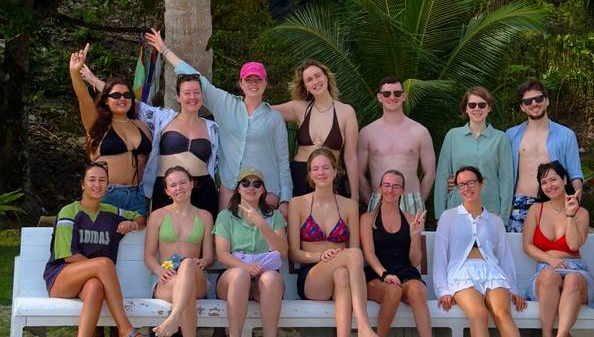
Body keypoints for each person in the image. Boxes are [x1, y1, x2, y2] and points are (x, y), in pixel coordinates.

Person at [145, 30, 292, 215]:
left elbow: (283, 162)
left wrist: (285, 198)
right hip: (230, 189)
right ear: (241, 83)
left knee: (264, 242)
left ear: (265, 83)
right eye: (249, 79)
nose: (253, 84)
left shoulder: (275, 118)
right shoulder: (225, 104)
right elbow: (194, 77)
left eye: (258, 80)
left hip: (265, 191)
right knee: (223, 240)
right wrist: (165, 50)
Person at [43, 160, 160, 337]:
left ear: (108, 186)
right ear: (82, 185)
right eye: (92, 180)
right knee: (104, 265)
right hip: (61, 278)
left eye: (102, 181)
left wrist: (133, 224)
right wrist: (99, 267)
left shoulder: (111, 211)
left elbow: (141, 218)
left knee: (96, 286)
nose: (97, 185)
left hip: (89, 282)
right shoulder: (69, 212)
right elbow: (67, 255)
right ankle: (125, 330)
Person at [288, 147, 391, 337]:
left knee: (343, 272)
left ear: (336, 172)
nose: (321, 172)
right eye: (315, 168)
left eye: (326, 167)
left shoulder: (349, 206)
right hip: (312, 277)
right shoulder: (298, 203)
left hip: (339, 276)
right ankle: (363, 327)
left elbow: (354, 250)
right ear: (309, 174)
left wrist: (338, 258)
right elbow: (294, 253)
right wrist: (319, 256)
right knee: (353, 255)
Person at [80, 54, 220, 216]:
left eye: (197, 92)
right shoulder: (162, 118)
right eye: (187, 93)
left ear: (202, 96)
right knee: (163, 237)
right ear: (178, 97)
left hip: (203, 190)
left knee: (203, 238)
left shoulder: (213, 128)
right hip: (166, 190)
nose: (192, 97)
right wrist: (93, 80)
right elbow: (125, 99)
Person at [433, 166, 528, 337]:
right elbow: (440, 257)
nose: (466, 188)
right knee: (479, 313)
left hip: (492, 272)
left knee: (502, 312)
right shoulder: (449, 217)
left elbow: (504, 256)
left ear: (481, 184)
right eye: (461, 184)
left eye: (471, 182)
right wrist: (443, 290)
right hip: (461, 273)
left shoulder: (494, 221)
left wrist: (514, 288)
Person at [522, 161, 594, 337]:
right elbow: (527, 246)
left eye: (553, 179)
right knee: (549, 276)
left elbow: (574, 243)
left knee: (573, 280)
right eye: (544, 182)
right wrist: (550, 260)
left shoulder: (581, 212)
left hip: (577, 270)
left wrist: (570, 214)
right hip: (546, 269)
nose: (549, 185)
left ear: (565, 179)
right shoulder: (536, 210)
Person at [214, 167, 290, 337]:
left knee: (272, 278)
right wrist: (246, 267)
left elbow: (282, 251)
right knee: (239, 275)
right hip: (233, 278)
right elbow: (222, 255)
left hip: (263, 280)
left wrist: (261, 223)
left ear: (263, 190)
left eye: (257, 183)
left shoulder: (273, 216)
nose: (251, 187)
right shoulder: (225, 217)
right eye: (245, 183)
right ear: (238, 188)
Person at [360, 169, 438, 337]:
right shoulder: (368, 218)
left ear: (403, 191)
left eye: (396, 186)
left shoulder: (412, 217)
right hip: (377, 273)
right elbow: (369, 254)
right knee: (393, 290)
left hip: (405, 271)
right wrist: (385, 274)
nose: (390, 190)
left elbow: (414, 261)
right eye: (386, 185)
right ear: (380, 188)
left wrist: (414, 234)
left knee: (419, 291)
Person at [143, 166, 215, 337]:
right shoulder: (157, 215)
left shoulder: (205, 216)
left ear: (192, 184)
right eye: (173, 185)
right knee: (186, 290)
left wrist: (204, 261)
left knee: (189, 264)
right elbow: (148, 256)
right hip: (167, 279)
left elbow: (209, 255)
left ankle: (174, 318)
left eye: (183, 182)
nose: (179, 188)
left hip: (196, 275)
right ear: (166, 191)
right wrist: (159, 271)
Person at [69, 45, 152, 215]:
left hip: (137, 196)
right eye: (115, 95)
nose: (122, 98)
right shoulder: (97, 123)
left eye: (127, 95)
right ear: (106, 100)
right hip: (106, 195)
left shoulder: (142, 126)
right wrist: (75, 73)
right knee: (102, 240)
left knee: (137, 241)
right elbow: (84, 99)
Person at [272, 60, 360, 200]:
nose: (315, 81)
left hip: (331, 178)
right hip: (300, 176)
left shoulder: (346, 112)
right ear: (305, 86)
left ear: (326, 77)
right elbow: (263, 111)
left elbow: (350, 157)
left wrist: (355, 195)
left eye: (318, 75)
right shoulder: (299, 108)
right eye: (309, 79)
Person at [506, 80, 583, 232]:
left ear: (547, 101)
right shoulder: (510, 135)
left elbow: (575, 174)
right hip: (520, 205)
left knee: (553, 253)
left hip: (555, 204)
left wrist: (575, 206)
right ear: (522, 107)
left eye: (539, 98)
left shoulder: (566, 135)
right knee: (517, 253)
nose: (534, 103)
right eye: (528, 101)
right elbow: (496, 170)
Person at [434, 86, 513, 223]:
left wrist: (504, 217)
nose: (477, 109)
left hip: (491, 211)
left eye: (482, 105)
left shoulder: (501, 138)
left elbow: (506, 180)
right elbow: (442, 176)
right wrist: (440, 215)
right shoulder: (452, 136)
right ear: (466, 108)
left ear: (489, 108)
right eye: (472, 105)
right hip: (457, 209)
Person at [357, 77, 435, 214]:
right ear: (380, 97)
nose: (392, 97)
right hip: (378, 199)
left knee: (413, 236)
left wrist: (418, 201)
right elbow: (358, 173)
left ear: (404, 96)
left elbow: (430, 172)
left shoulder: (420, 131)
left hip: (411, 200)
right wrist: (370, 200)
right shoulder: (367, 133)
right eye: (387, 94)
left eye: (397, 93)